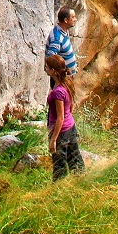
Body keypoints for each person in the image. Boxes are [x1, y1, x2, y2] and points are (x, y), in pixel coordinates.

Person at [45, 52, 83, 181]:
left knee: (59, 165)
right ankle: (81, 182)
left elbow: (60, 118)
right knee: (75, 160)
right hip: (70, 127)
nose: (46, 69)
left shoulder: (58, 92)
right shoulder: (66, 82)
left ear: (54, 71)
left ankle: (58, 190)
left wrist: (54, 139)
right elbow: (70, 105)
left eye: (48, 67)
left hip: (61, 132)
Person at [46, 6, 78, 74]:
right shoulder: (57, 38)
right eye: (73, 17)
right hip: (62, 79)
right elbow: (50, 58)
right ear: (66, 20)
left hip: (67, 77)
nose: (75, 19)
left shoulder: (63, 31)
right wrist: (61, 73)